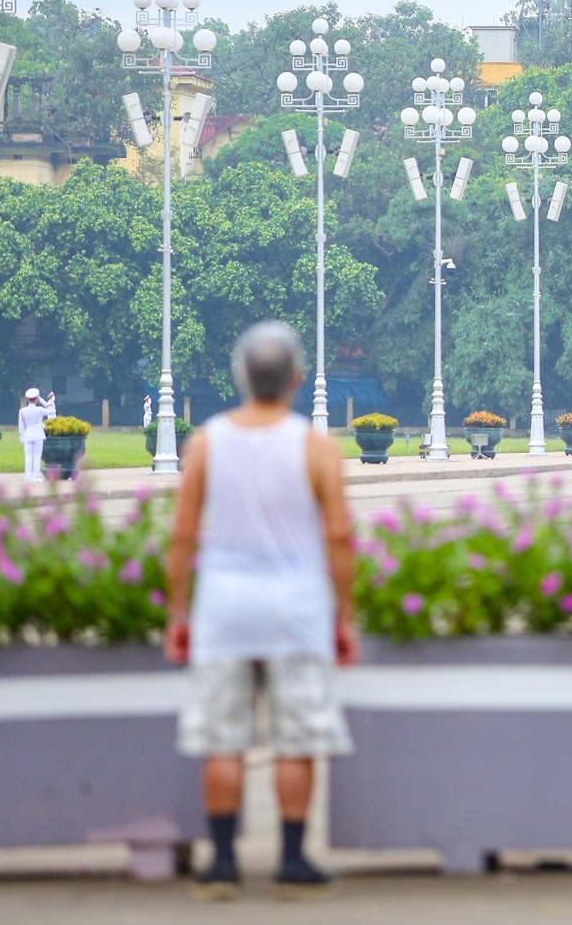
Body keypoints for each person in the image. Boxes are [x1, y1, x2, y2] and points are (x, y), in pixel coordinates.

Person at [164, 322, 355, 898]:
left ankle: (223, 861)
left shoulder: (207, 442)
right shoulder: (315, 446)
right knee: (296, 738)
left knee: (224, 738)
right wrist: (342, 616)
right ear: (297, 379)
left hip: (224, 603)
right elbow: (340, 537)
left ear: (240, 377)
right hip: (296, 606)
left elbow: (181, 534)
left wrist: (179, 613)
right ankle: (293, 860)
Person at [18, 388, 52, 483]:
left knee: (28, 457)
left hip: (27, 434)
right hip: (38, 434)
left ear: (27, 399)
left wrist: (22, 438)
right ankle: (35, 477)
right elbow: (51, 410)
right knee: (37, 456)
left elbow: (21, 426)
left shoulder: (22, 411)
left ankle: (28, 477)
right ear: (36, 399)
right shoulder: (40, 410)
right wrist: (43, 401)